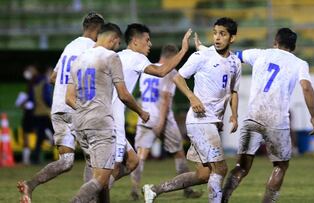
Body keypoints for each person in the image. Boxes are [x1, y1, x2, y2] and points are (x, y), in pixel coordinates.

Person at [143, 17, 242, 203]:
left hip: (212, 122)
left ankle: (154, 190)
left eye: (223, 34)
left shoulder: (235, 63)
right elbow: (178, 77)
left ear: (232, 38)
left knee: (204, 174)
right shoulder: (202, 56)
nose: (217, 37)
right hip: (199, 120)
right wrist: (192, 96)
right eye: (215, 33)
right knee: (220, 169)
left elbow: (234, 91)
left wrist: (234, 115)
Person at [219, 28, 314, 203]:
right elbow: (306, 87)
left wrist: (207, 51)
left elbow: (232, 55)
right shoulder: (299, 63)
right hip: (277, 120)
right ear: (293, 46)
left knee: (241, 167)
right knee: (280, 165)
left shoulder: (259, 54)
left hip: (253, 116)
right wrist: (313, 116)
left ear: (275, 42)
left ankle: (222, 199)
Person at [17, 12, 104, 202]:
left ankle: (30, 185)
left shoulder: (70, 46)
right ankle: (86, 200)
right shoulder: (92, 48)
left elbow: (53, 78)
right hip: (76, 107)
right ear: (98, 30)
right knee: (95, 160)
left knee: (65, 162)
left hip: (58, 108)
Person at [65, 22, 149, 203]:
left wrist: (86, 112)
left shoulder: (79, 59)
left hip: (80, 123)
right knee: (102, 178)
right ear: (113, 39)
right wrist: (141, 112)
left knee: (107, 170)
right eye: (117, 44)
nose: (117, 48)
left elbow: (69, 98)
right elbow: (124, 95)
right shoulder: (111, 57)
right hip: (101, 122)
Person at [105, 23, 192, 189]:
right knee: (114, 166)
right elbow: (162, 72)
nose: (150, 44)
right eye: (147, 40)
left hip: (102, 114)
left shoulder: (117, 56)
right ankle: (92, 195)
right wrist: (183, 50)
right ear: (135, 41)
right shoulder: (137, 58)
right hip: (113, 119)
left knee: (133, 161)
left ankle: (101, 190)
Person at [130, 44, 202, 200]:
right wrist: (161, 122)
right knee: (179, 153)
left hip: (145, 115)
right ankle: (187, 190)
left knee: (141, 155)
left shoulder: (146, 69)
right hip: (162, 118)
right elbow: (165, 98)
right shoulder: (170, 71)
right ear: (172, 56)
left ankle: (134, 190)